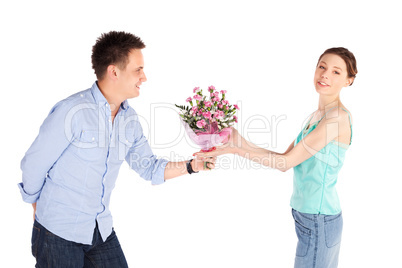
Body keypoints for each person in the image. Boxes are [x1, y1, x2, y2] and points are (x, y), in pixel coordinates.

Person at [18, 31, 215, 267]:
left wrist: (193, 166)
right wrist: (36, 204)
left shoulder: (129, 120)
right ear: (114, 71)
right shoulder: (73, 111)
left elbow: (150, 168)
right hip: (57, 232)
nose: (144, 77)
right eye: (138, 70)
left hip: (100, 229)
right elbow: (34, 163)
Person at [196, 47, 357, 267]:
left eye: (336, 72)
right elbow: (285, 156)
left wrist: (234, 150)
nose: (325, 74)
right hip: (309, 216)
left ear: (349, 80)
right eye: (322, 66)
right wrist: (236, 138)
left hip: (319, 218)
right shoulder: (317, 116)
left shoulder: (337, 118)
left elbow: (285, 164)